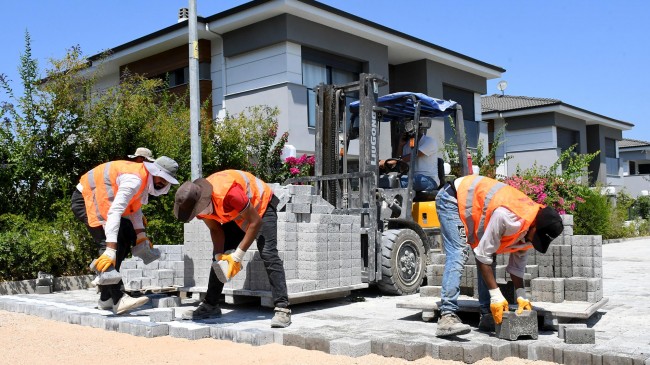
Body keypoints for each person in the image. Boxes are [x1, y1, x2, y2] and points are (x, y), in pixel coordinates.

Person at [434, 175, 563, 337]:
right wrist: (496, 295)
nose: (532, 241)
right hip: (452, 197)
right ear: (534, 225)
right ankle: (447, 316)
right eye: (536, 237)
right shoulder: (507, 217)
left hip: (475, 206)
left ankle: (487, 314)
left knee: (489, 256)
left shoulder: (530, 225)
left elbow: (516, 267)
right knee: (459, 252)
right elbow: (482, 256)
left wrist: (521, 295)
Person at [173, 170, 291, 328]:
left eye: (197, 212)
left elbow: (255, 222)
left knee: (268, 252)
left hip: (261, 206)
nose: (198, 216)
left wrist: (238, 255)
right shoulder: (196, 204)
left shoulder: (228, 194)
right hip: (237, 212)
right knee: (218, 258)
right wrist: (218, 256)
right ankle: (211, 305)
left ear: (204, 200)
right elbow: (216, 230)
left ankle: (283, 308)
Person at [71, 156, 179, 314]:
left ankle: (106, 298)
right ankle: (119, 298)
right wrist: (110, 249)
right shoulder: (134, 180)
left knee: (121, 241)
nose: (163, 182)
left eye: (167, 180)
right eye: (161, 177)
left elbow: (134, 209)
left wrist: (141, 235)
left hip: (101, 199)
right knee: (106, 244)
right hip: (86, 199)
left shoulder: (143, 181)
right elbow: (114, 211)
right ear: (154, 171)